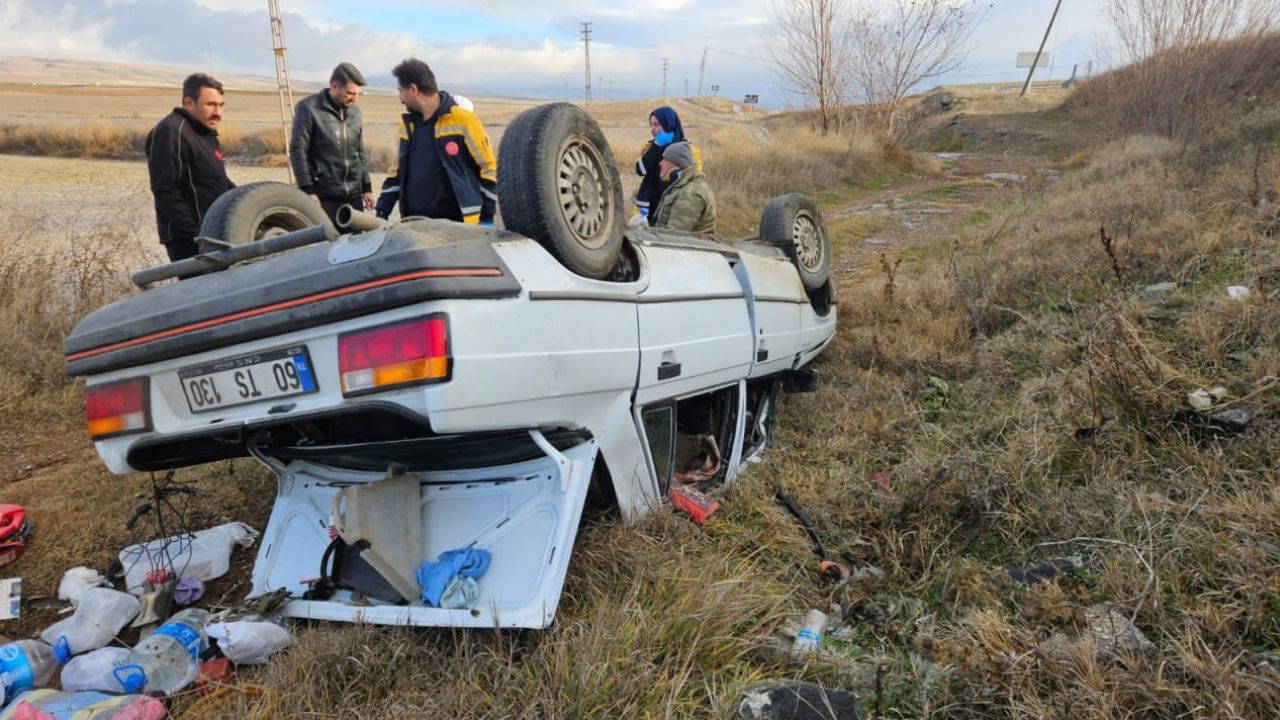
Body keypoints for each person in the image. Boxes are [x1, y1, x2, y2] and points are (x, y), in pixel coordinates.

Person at [375, 58, 497, 225]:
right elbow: (396, 173)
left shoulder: (464, 120)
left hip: (459, 226)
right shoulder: (406, 126)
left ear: (413, 89)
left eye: (400, 90)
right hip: (415, 223)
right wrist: (382, 211)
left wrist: (487, 217)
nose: (399, 97)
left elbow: (488, 168)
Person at [145, 73, 235, 262]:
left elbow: (218, 181)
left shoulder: (206, 132)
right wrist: (195, 236)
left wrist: (248, 198)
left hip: (215, 233)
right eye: (210, 105)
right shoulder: (171, 131)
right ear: (188, 103)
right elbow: (166, 189)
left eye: (221, 105)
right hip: (190, 241)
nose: (218, 112)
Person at [289, 62, 373, 225]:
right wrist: (307, 189)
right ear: (334, 86)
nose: (354, 99)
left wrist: (367, 188)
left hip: (354, 198)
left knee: (356, 246)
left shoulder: (356, 113)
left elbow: (359, 151)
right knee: (328, 247)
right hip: (323, 198)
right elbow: (298, 150)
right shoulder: (308, 108)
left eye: (358, 94)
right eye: (350, 93)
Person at [634, 106, 702, 224]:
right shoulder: (650, 147)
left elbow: (693, 180)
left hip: (673, 208)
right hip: (647, 208)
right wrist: (656, 147)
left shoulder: (689, 151)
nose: (653, 129)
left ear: (669, 124)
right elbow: (640, 170)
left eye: (656, 124)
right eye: (651, 125)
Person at [650, 141, 716, 235]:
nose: (661, 163)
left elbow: (674, 236)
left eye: (665, 159)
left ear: (676, 162)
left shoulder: (690, 193)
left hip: (686, 248)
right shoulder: (682, 185)